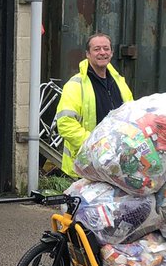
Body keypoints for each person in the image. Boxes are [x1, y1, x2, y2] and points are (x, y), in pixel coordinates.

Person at [55, 32, 134, 176]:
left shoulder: (120, 83)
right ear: (88, 54)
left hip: (116, 165)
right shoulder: (75, 85)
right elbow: (65, 124)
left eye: (106, 48)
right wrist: (96, 145)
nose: (102, 52)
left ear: (111, 53)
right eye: (97, 49)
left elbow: (133, 119)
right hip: (85, 166)